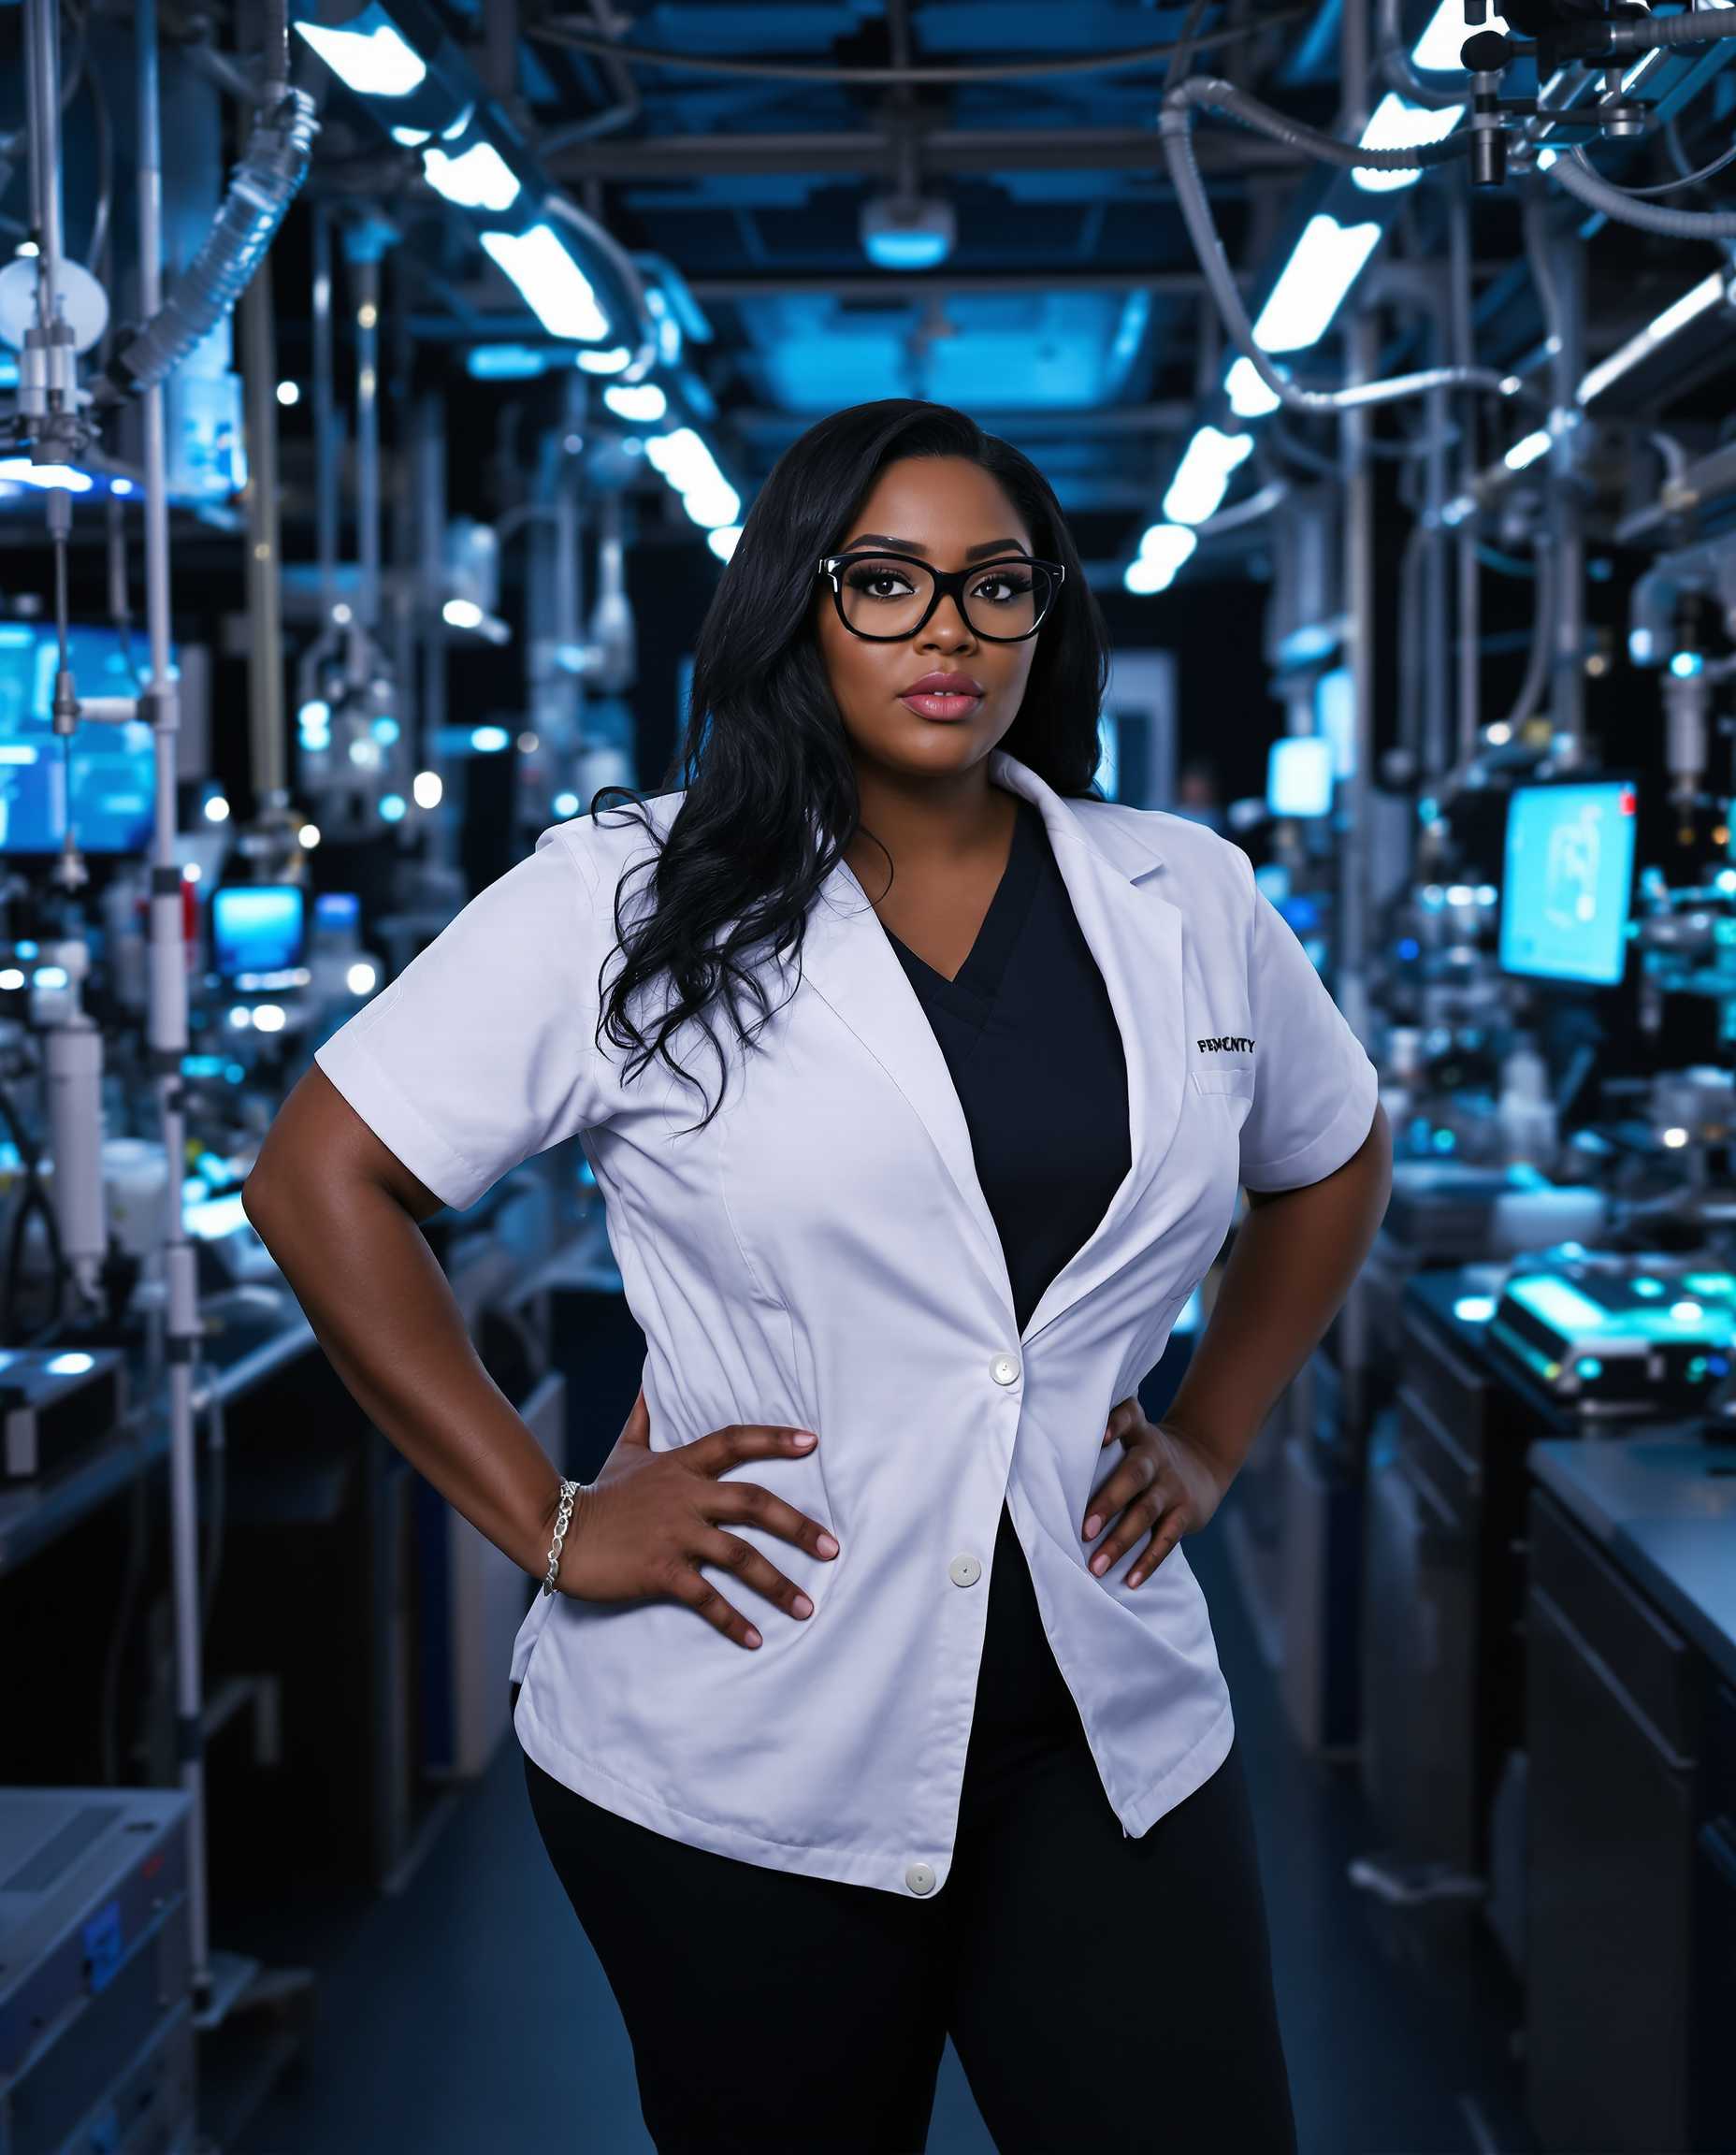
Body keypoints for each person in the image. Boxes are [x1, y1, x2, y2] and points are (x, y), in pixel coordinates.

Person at [246, 398, 1391, 2155]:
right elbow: (323, 1173)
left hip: (1105, 1722)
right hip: (746, 1732)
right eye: (887, 582)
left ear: (1047, 614)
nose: (949, 628)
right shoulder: (628, 896)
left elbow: (1325, 1156)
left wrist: (1213, 1431)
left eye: (996, 584)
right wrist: (551, 1523)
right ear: (800, 602)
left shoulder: (1186, 891)